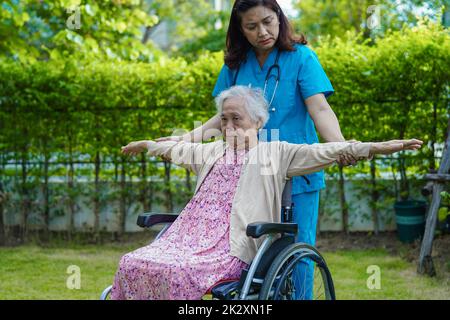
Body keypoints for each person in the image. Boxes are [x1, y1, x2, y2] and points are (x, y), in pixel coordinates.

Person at [112, 86, 422, 300]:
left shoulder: (275, 152)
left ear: (258, 121)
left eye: (237, 118)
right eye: (224, 119)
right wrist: (148, 145)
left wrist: (379, 147)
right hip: (187, 242)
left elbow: (327, 151)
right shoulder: (211, 152)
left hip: (232, 248)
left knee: (178, 272)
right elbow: (174, 150)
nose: (229, 125)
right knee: (133, 262)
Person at [156, 0, 354, 299]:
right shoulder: (236, 65)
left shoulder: (301, 58)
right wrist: (182, 140)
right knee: (247, 252)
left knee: (296, 251)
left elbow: (320, 109)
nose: (262, 31)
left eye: (268, 22)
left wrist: (339, 146)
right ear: (240, 29)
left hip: (295, 172)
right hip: (248, 178)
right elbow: (219, 118)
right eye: (251, 26)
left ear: (280, 18)